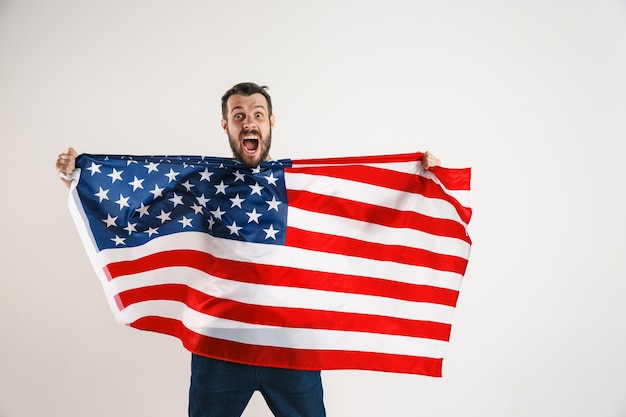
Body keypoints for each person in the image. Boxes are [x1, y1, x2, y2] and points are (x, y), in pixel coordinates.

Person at [55, 82, 441, 417]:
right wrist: (80, 176)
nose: (249, 121)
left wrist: (421, 177)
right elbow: (141, 213)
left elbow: (363, 213)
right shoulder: (203, 183)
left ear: (271, 122)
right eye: (238, 115)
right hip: (219, 347)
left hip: (290, 347)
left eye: (257, 113)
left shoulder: (300, 184)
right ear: (226, 126)